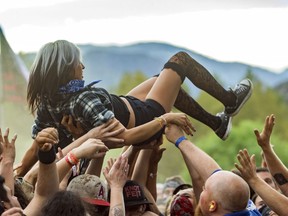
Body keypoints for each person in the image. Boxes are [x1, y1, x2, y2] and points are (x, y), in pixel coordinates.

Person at [23, 39, 252, 155]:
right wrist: (164, 119)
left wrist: (20, 172)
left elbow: (38, 145)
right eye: (76, 63)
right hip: (144, 115)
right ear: (64, 69)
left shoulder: (47, 105)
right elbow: (123, 138)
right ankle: (231, 100)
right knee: (180, 61)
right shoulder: (82, 101)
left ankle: (218, 123)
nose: (82, 66)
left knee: (163, 80)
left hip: (125, 104)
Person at [164, 123, 261, 215]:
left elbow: (202, 179)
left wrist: (180, 140)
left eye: (204, 189)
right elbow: (216, 176)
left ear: (212, 205)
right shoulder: (248, 210)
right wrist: (181, 141)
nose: (201, 188)